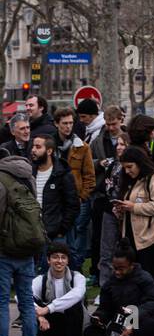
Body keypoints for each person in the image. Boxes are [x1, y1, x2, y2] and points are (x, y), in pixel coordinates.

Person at [114, 144, 154, 329]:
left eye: (130, 167)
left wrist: (133, 207)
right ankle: (133, 323)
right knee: (132, 284)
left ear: (140, 163)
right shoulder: (131, 182)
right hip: (131, 238)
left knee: (153, 280)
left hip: (150, 239)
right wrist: (121, 209)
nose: (127, 171)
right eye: (124, 167)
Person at [83, 239, 154, 336]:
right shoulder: (111, 282)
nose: (117, 272)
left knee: (144, 329)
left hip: (141, 321)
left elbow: (152, 304)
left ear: (131, 265)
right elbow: (105, 308)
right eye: (114, 268)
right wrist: (99, 318)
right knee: (90, 332)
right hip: (118, 324)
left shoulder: (144, 278)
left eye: (121, 269)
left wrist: (132, 319)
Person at [0, 151, 41, 336]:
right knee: (26, 300)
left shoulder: (1, 179)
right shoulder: (28, 175)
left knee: (2, 302)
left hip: (4, 249)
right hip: (26, 247)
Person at [54, 106, 97, 274]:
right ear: (57, 124)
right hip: (54, 201)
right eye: (64, 123)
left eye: (70, 123)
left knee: (74, 240)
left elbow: (89, 176)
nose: (68, 126)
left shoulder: (82, 147)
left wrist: (81, 197)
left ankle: (74, 272)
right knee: (56, 241)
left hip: (74, 201)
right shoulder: (49, 144)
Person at [32, 240, 86, 336]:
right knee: (32, 303)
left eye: (63, 257)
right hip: (46, 327)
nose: (59, 261)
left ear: (67, 261)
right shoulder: (40, 280)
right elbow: (21, 298)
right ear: (48, 260)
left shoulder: (77, 277)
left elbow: (77, 294)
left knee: (73, 302)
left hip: (70, 327)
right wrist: (39, 315)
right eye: (55, 257)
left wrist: (47, 308)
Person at [31, 135, 78, 257]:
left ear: (49, 151)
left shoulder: (63, 174)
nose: (33, 150)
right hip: (33, 232)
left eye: (38, 147)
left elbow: (72, 205)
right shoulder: (29, 173)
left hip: (55, 234)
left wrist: (61, 230)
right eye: (33, 146)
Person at [98, 127, 130, 287]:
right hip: (109, 211)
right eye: (118, 144)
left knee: (125, 251)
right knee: (106, 252)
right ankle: (105, 287)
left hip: (127, 212)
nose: (119, 147)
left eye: (123, 144)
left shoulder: (131, 165)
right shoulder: (112, 164)